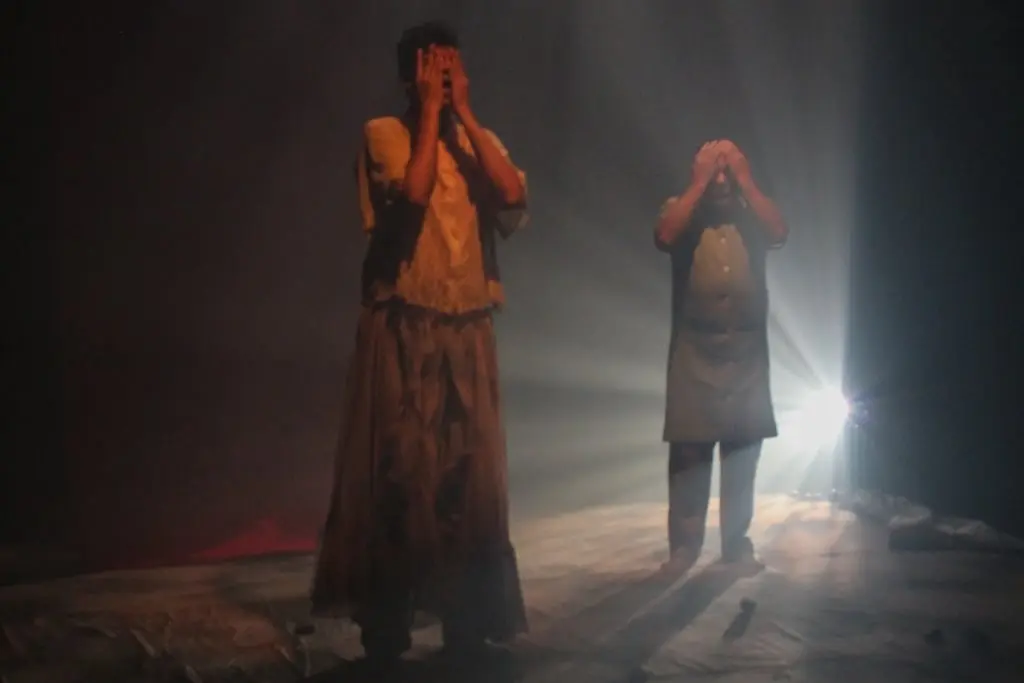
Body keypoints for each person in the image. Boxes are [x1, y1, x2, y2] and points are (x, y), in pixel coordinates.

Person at [310, 21, 529, 664]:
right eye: (435, 70)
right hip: (405, 322)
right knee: (400, 474)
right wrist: (432, 115)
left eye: (453, 69)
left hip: (467, 324)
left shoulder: (479, 140)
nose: (445, 79)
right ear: (411, 76)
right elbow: (410, 196)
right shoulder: (385, 132)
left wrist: (466, 114)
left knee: (468, 476)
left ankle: (467, 619)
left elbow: (512, 194)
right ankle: (386, 626)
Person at [653, 139, 788, 573]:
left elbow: (779, 232)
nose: (722, 180)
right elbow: (665, 235)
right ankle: (684, 547)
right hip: (694, 355)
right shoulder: (681, 210)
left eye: (728, 170)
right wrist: (699, 182)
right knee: (689, 456)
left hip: (746, 357)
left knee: (742, 455)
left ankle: (736, 543)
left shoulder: (754, 215)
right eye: (715, 171)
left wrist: (746, 179)